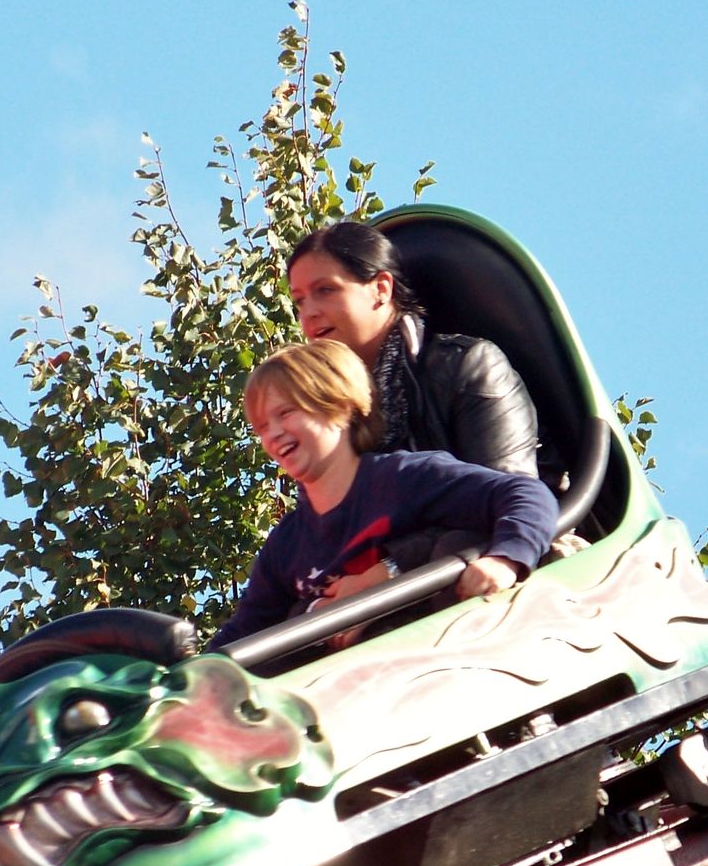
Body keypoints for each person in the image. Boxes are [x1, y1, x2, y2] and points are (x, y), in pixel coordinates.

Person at [210, 340, 557, 650]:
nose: (272, 434)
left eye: (285, 413)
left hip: (431, 651)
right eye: (261, 428)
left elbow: (524, 494)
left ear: (339, 406)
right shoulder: (287, 544)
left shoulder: (402, 478)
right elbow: (244, 633)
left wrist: (505, 559)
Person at [288, 221, 540, 479]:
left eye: (325, 290)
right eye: (300, 301)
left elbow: (513, 496)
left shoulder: (468, 367)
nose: (309, 313)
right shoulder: (327, 415)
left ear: (381, 288)